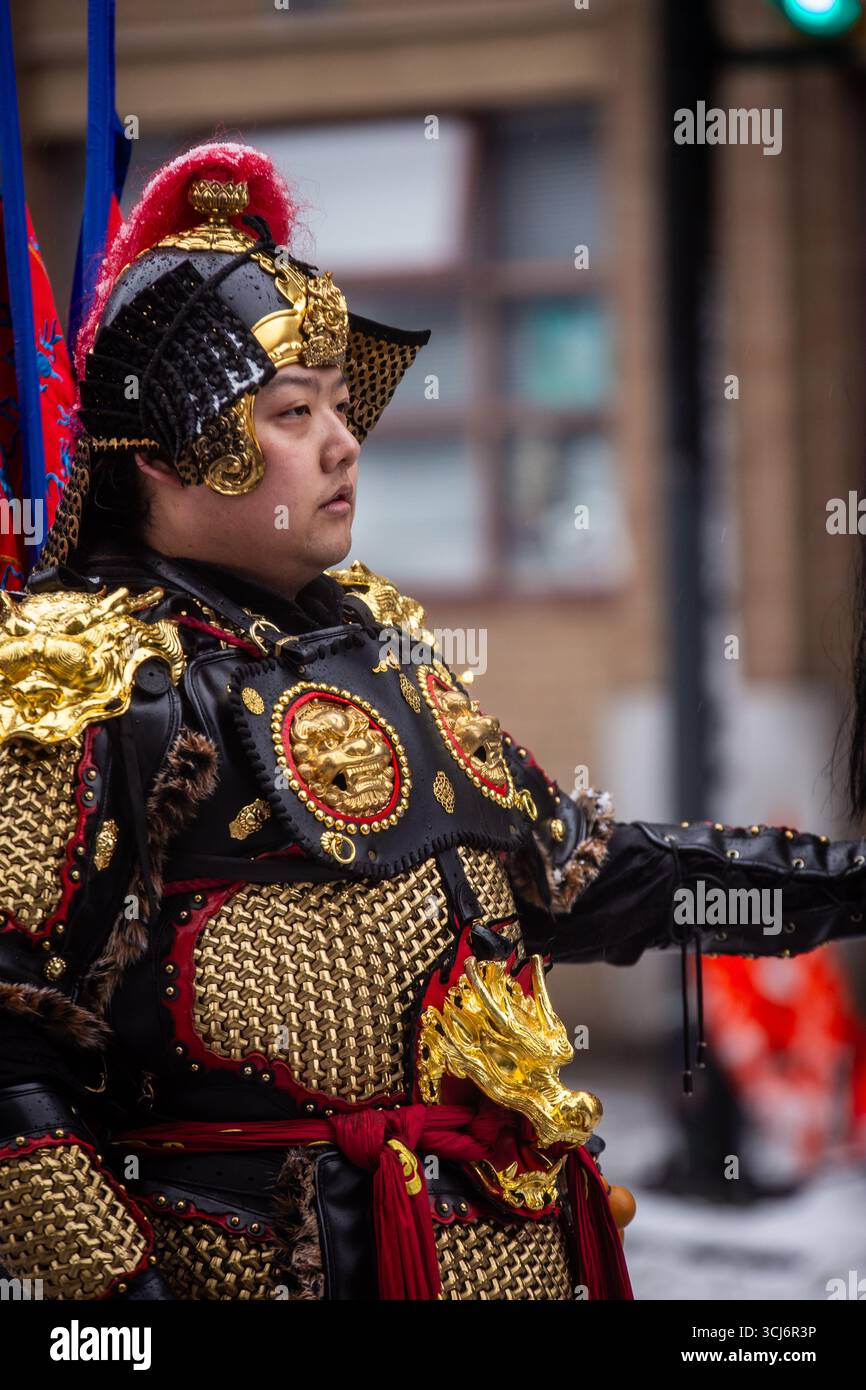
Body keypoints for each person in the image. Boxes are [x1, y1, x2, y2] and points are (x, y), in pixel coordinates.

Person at [0, 141, 864, 1302]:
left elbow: (585, 877)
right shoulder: (85, 681)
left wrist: (836, 884)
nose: (342, 443)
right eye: (292, 412)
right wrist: (121, 1319)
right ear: (160, 452)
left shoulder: (378, 646)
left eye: (341, 409)